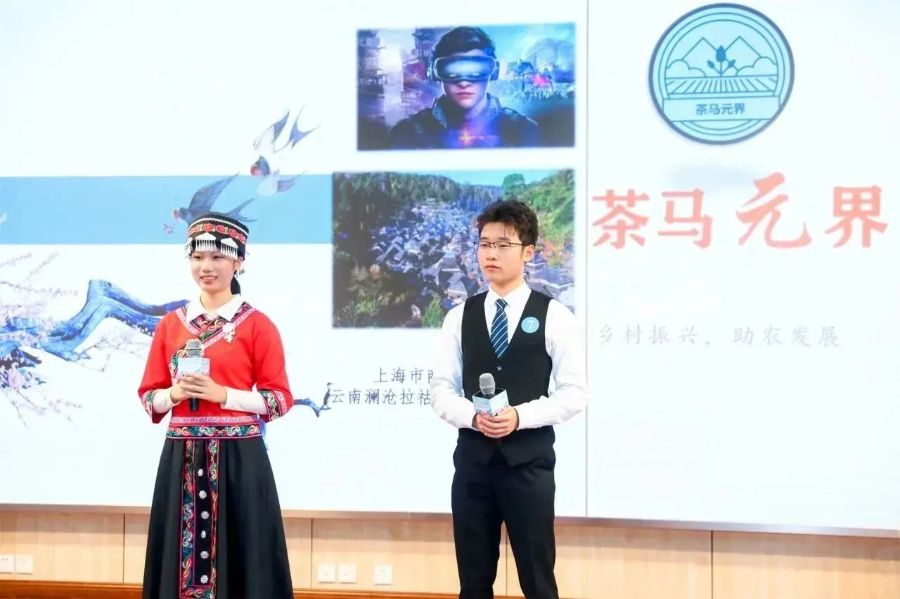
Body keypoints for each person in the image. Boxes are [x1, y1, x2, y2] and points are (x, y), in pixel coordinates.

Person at [431, 200, 586, 599]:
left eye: (503, 245)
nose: (491, 254)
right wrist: (472, 416)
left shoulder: (555, 316)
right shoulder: (459, 317)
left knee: (537, 580)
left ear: (528, 252)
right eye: (485, 244)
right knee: (473, 582)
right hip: (473, 466)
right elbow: (441, 389)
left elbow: (574, 394)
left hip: (528, 468)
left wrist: (520, 416)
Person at [138, 212, 294, 598]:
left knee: (244, 558)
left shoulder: (257, 325)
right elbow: (149, 397)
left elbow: (279, 399)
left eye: (218, 257)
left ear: (238, 261)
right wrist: (175, 394)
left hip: (240, 460)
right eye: (197, 257)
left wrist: (223, 394)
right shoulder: (170, 325)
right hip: (182, 456)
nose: (206, 267)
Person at [390, 27, 540, 149]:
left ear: (493, 72)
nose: (464, 82)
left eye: (476, 69)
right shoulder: (408, 132)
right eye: (452, 70)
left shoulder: (525, 130)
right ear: (435, 73)